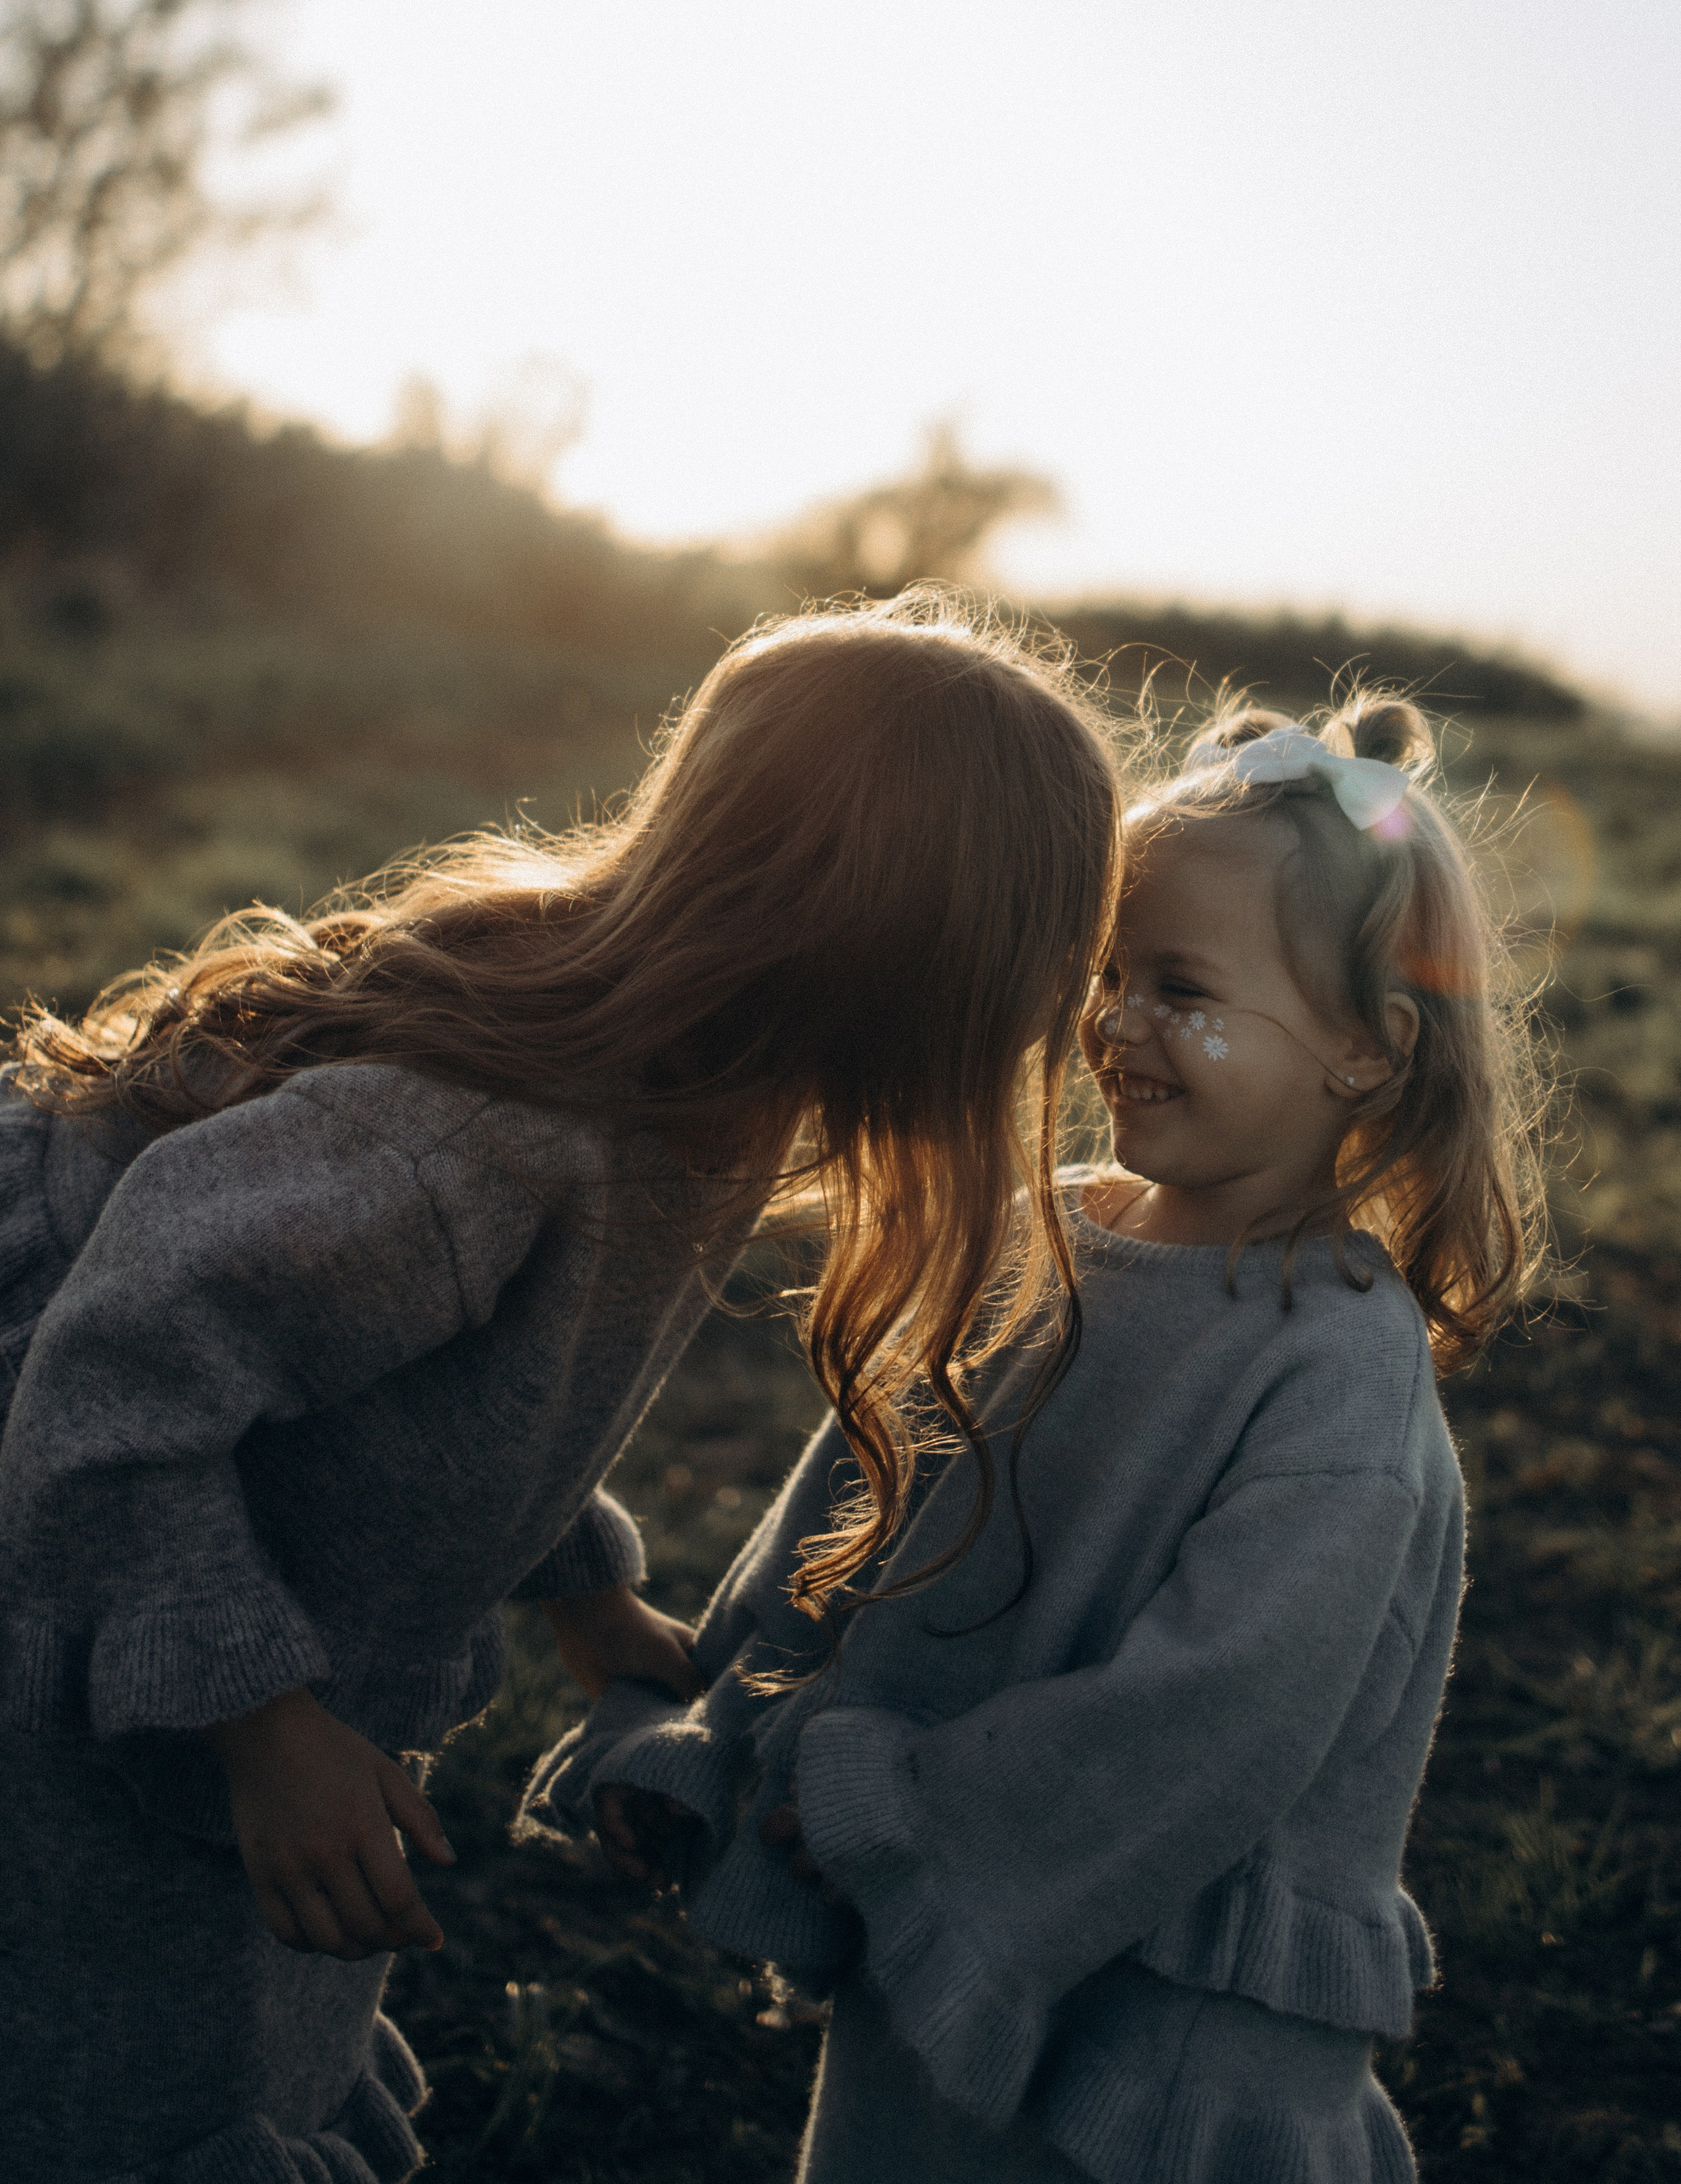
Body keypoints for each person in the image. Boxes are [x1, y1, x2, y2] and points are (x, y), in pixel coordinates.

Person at [0, 593, 1122, 2184]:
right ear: (917, 942)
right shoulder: (479, 1141)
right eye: (1049, 945)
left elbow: (458, 1399)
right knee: (108, 2089)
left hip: (226, 1667)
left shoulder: (707, 1094)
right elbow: (107, 1382)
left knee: (245, 2029)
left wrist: (583, 1590)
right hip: (81, 1644)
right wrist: (264, 1729)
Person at [526, 694, 1546, 2184]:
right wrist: (715, 1735)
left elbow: (1216, 1713)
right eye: (1109, 974)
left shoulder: (1335, 1372)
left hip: (1151, 2022)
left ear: (1364, 1049)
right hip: (922, 1934)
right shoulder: (1046, 1234)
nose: (1117, 1024)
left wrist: (914, 1815)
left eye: (1181, 986)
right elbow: (865, 1509)